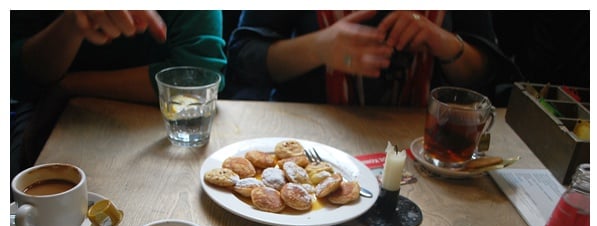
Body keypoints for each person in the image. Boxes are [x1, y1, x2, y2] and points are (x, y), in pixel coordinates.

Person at [11, 11, 227, 178]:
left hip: (154, 125)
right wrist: (71, 25)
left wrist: (70, 85)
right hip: (45, 113)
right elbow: (17, 74)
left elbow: (201, 74)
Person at [225, 11, 514, 106]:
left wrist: (442, 42)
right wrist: (319, 48)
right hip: (312, 142)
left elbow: (486, 77)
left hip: (424, 148)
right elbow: (243, 58)